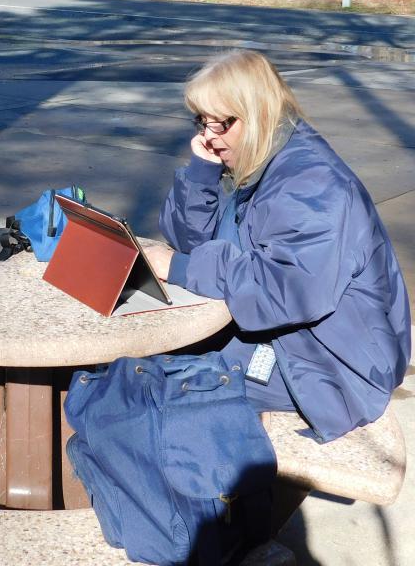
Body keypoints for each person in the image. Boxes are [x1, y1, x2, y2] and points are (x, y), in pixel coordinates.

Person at [145, 50, 410, 443]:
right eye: (201, 122)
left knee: (158, 378)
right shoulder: (263, 161)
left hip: (335, 367)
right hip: (296, 340)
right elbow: (194, 244)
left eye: (221, 123)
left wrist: (180, 268)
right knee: (152, 361)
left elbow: (281, 290)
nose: (207, 137)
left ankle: (230, 499)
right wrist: (202, 173)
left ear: (258, 114)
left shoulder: (310, 184)